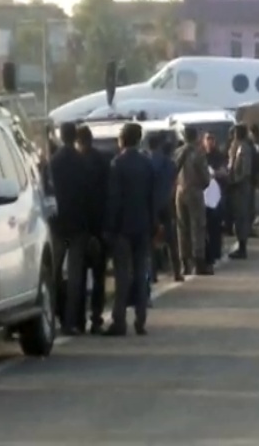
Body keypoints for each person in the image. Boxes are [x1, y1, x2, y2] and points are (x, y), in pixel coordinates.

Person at [104, 122, 156, 336]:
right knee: (141, 272)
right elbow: (152, 198)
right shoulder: (147, 164)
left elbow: (114, 199)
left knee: (122, 276)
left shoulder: (118, 164)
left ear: (123, 139)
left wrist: (109, 226)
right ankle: (141, 320)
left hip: (123, 227)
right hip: (143, 225)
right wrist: (153, 223)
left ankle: (119, 321)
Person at [49, 121, 91, 336]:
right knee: (75, 276)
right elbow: (87, 194)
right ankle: (71, 321)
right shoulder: (81, 162)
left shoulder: (53, 162)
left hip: (57, 224)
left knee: (53, 273)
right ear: (75, 137)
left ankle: (51, 317)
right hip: (78, 225)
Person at [75, 125, 110, 335]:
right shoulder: (102, 162)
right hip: (99, 226)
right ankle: (96, 318)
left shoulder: (75, 164)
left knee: (79, 276)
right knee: (99, 276)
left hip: (81, 228)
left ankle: (79, 320)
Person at [175, 126, 213, 275]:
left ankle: (185, 262)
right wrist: (204, 184)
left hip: (180, 191)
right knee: (197, 226)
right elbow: (205, 177)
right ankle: (199, 263)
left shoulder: (178, 152)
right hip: (195, 191)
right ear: (195, 136)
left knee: (182, 228)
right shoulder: (198, 153)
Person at [149, 133, 184, 283]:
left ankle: (153, 274)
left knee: (150, 240)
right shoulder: (169, 162)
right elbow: (175, 180)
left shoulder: (147, 162)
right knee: (171, 239)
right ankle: (177, 271)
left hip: (151, 204)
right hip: (167, 202)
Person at [228, 124, 253, 259]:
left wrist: (234, 181)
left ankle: (242, 248)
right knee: (238, 217)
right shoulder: (236, 146)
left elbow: (244, 170)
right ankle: (240, 244)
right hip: (236, 185)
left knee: (241, 216)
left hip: (240, 186)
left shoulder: (244, 148)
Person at [203, 132, 228, 262]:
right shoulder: (201, 156)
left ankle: (216, 251)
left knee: (216, 225)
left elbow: (224, 172)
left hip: (217, 194)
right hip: (203, 195)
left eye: (212, 139)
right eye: (207, 139)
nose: (209, 142)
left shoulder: (219, 156)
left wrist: (214, 173)